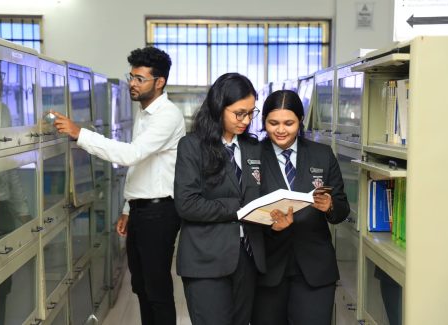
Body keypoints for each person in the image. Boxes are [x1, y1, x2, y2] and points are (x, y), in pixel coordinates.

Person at [53, 47, 185, 325]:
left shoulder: (167, 115)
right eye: (132, 77)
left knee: (157, 289)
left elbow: (130, 155)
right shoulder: (145, 112)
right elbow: (142, 166)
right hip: (143, 209)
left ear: (159, 82)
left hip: (160, 213)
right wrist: (128, 207)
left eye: (140, 79)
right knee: (141, 285)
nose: (132, 84)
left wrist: (80, 134)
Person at [174, 72, 292, 325]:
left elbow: (261, 197)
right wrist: (239, 209)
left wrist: (275, 216)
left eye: (251, 113)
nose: (246, 120)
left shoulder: (253, 148)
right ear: (219, 107)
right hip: (206, 260)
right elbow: (187, 204)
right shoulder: (192, 146)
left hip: (247, 257)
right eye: (239, 113)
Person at [251, 90, 350, 325]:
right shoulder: (253, 155)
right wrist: (270, 225)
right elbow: (244, 208)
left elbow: (342, 208)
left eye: (289, 123)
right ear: (264, 122)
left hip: (314, 267)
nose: (281, 130)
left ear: (301, 120)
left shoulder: (322, 155)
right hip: (268, 268)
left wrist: (330, 206)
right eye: (273, 123)